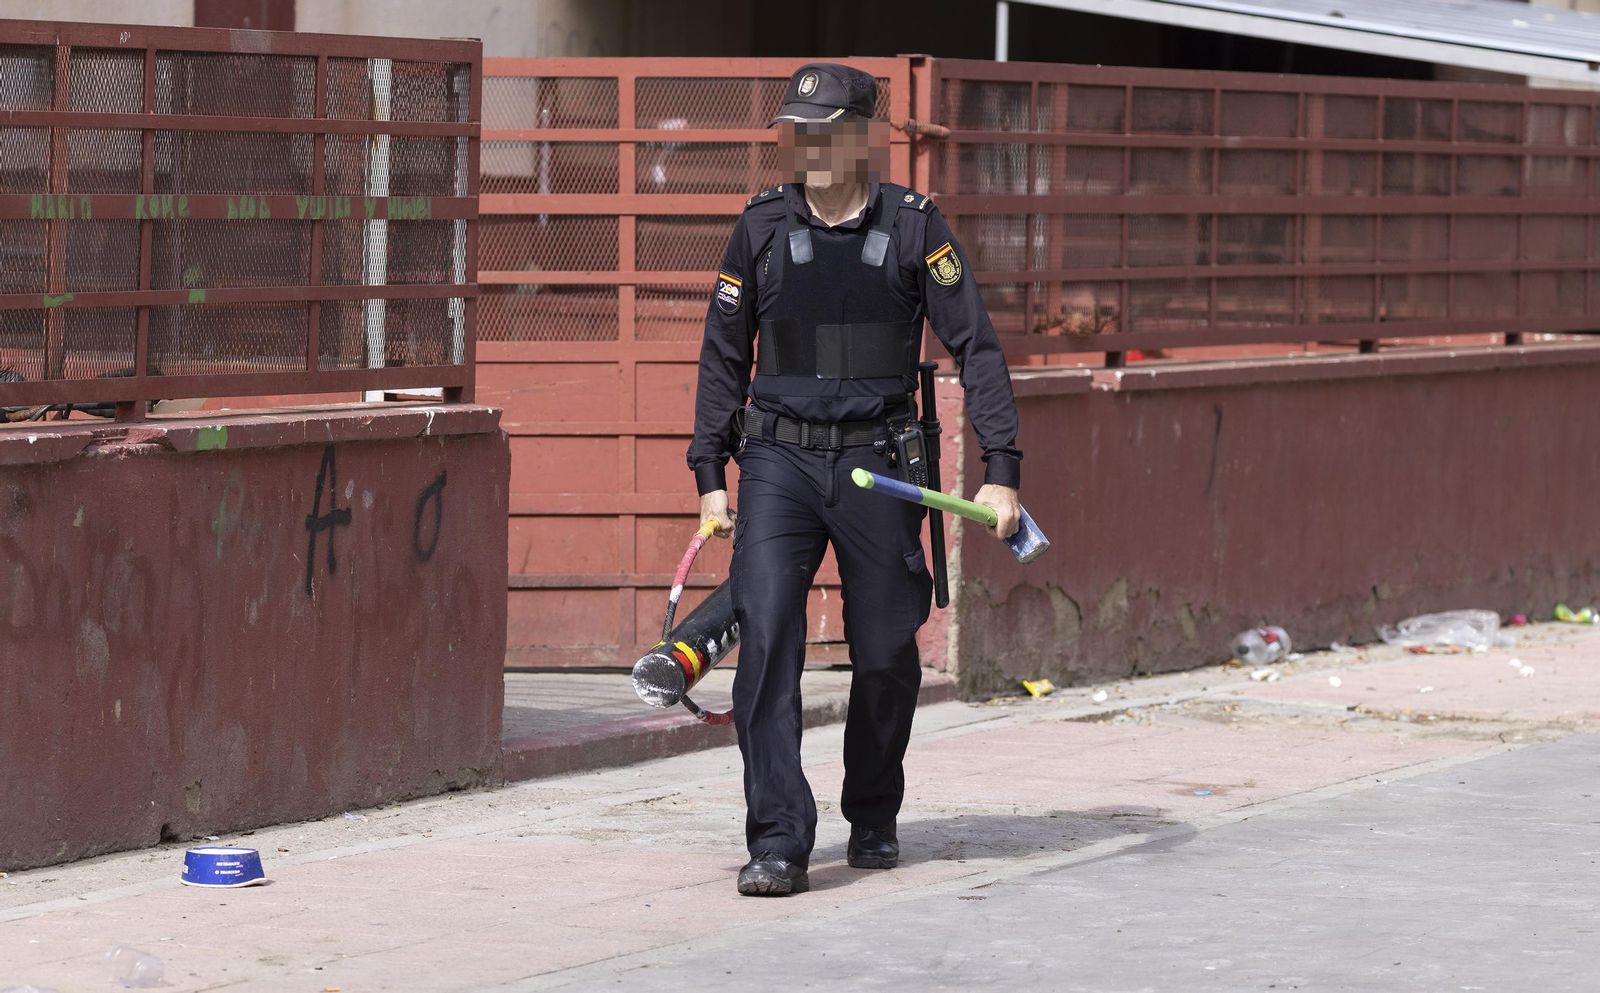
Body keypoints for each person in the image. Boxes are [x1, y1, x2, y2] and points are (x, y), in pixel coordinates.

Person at [688, 63, 1023, 896]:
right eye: (795, 130)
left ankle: (872, 806)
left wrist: (1002, 470)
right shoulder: (761, 227)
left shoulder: (914, 227)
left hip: (879, 465)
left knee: (883, 654)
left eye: (824, 128)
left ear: (863, 134)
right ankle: (778, 838)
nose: (807, 145)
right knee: (766, 637)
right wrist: (710, 473)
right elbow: (723, 354)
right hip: (778, 463)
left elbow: (975, 348)